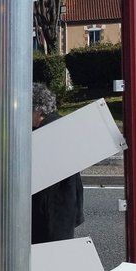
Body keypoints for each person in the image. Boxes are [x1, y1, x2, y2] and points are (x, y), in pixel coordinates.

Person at [30, 83, 84, 244]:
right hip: (63, 205)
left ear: (38, 109)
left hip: (52, 209)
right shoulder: (58, 125)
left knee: (49, 254)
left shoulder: (47, 131)